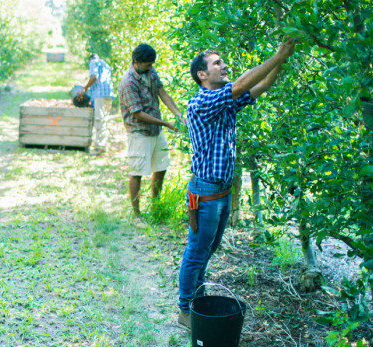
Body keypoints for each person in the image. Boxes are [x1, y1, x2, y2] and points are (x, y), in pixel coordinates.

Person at [177, 39, 297, 328]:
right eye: (217, 63)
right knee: (196, 252)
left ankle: (196, 299)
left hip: (219, 192)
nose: (224, 65)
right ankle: (185, 310)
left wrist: (281, 61)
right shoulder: (203, 101)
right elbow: (242, 85)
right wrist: (277, 54)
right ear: (202, 75)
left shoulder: (223, 100)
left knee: (206, 250)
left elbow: (258, 87)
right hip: (205, 193)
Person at [118, 43, 185, 219]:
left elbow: (162, 93)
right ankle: (136, 214)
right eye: (148, 65)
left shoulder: (150, 72)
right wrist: (166, 123)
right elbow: (138, 114)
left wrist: (178, 114)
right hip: (139, 132)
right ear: (136, 62)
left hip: (155, 130)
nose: (151, 67)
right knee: (137, 172)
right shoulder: (128, 82)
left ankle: (156, 206)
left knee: (161, 167)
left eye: (152, 64)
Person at [76, 53, 115, 155]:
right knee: (104, 119)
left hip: (100, 95)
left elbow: (94, 77)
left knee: (99, 119)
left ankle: (99, 147)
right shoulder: (105, 64)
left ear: (90, 59)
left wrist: (84, 89)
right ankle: (103, 144)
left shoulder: (94, 62)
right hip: (108, 94)